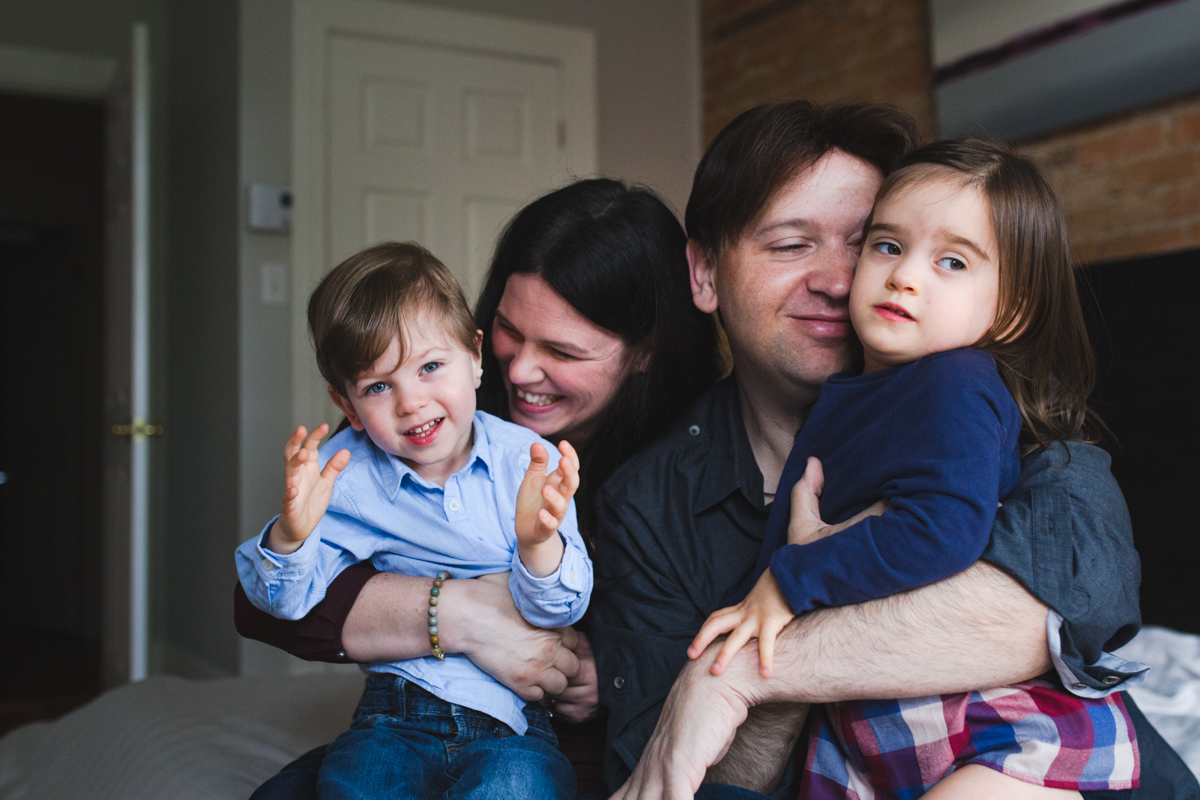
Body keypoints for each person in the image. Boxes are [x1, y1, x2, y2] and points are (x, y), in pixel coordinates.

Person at [593, 100, 1197, 800]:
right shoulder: (646, 506)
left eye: (858, 243)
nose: (842, 279)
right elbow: (668, 778)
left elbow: (1072, 603)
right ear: (703, 274)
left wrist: (761, 663)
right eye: (793, 245)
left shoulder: (1014, 419)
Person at [233, 178, 724, 799]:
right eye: (510, 331)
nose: (520, 370)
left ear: (645, 353)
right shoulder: (419, 419)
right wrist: (457, 615)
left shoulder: (686, 463)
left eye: (561, 350)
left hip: (551, 749)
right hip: (408, 726)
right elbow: (263, 607)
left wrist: (618, 675)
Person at [237, 241, 593, 799]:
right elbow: (282, 604)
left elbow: (563, 607)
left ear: (475, 357)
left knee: (522, 786)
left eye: (430, 367)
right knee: (358, 783)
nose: (411, 402)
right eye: (379, 386)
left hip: (513, 725)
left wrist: (537, 545)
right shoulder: (347, 477)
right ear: (348, 405)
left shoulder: (525, 461)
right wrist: (293, 535)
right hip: (395, 716)